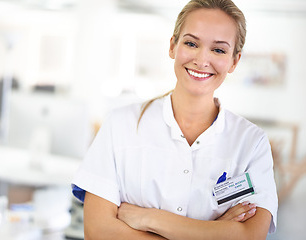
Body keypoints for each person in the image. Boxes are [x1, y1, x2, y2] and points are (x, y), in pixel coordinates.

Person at [71, 0, 278, 239]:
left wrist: (151, 219)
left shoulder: (252, 143)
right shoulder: (120, 126)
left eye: (219, 50)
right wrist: (214, 232)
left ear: (234, 60)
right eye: (191, 43)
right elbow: (98, 232)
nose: (202, 60)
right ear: (173, 46)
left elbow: (249, 236)